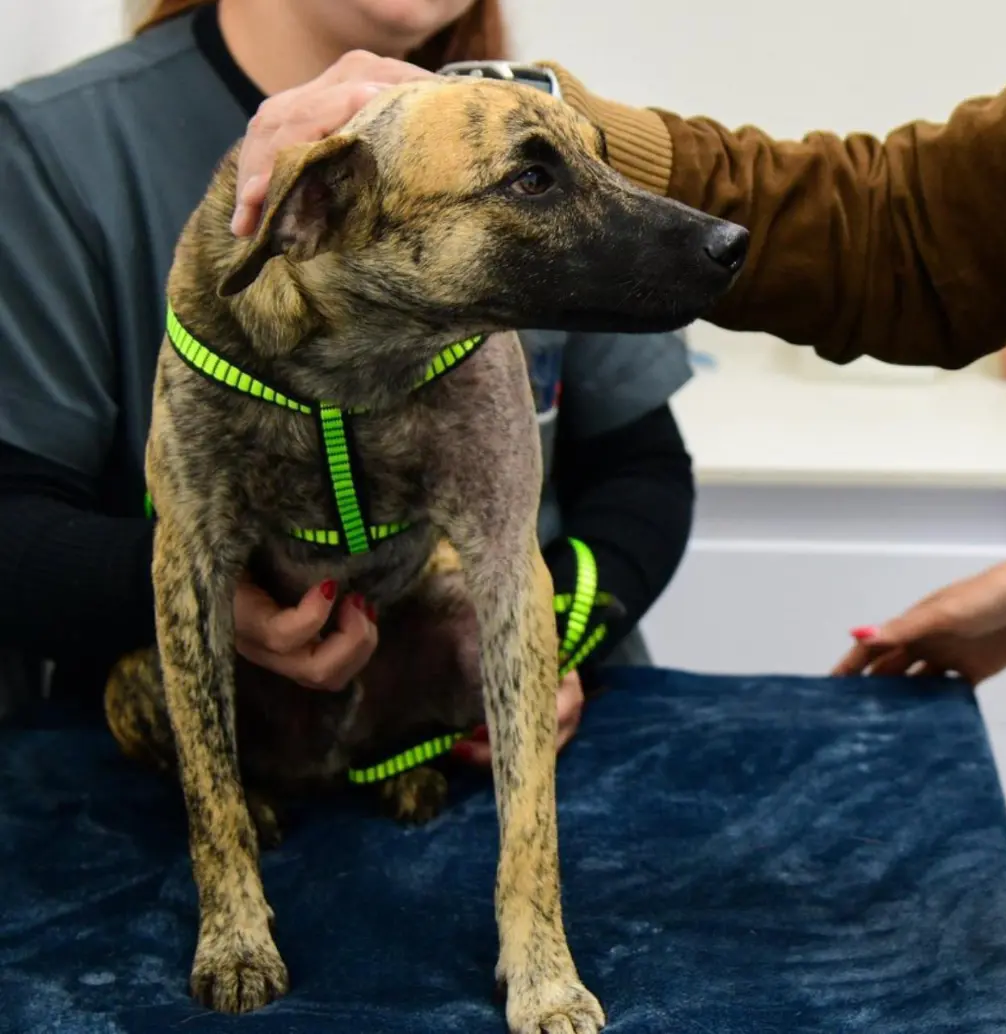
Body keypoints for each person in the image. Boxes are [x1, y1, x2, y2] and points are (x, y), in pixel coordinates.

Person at [0, 1, 697, 765]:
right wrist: (207, 599)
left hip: (504, 753)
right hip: (213, 758)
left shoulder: (535, 133)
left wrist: (534, 642)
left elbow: (644, 470)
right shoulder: (55, 151)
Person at [228, 50, 1006, 693]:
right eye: (534, 178)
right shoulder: (125, 148)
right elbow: (900, 228)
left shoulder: (499, 155)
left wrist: (530, 651)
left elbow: (643, 469)